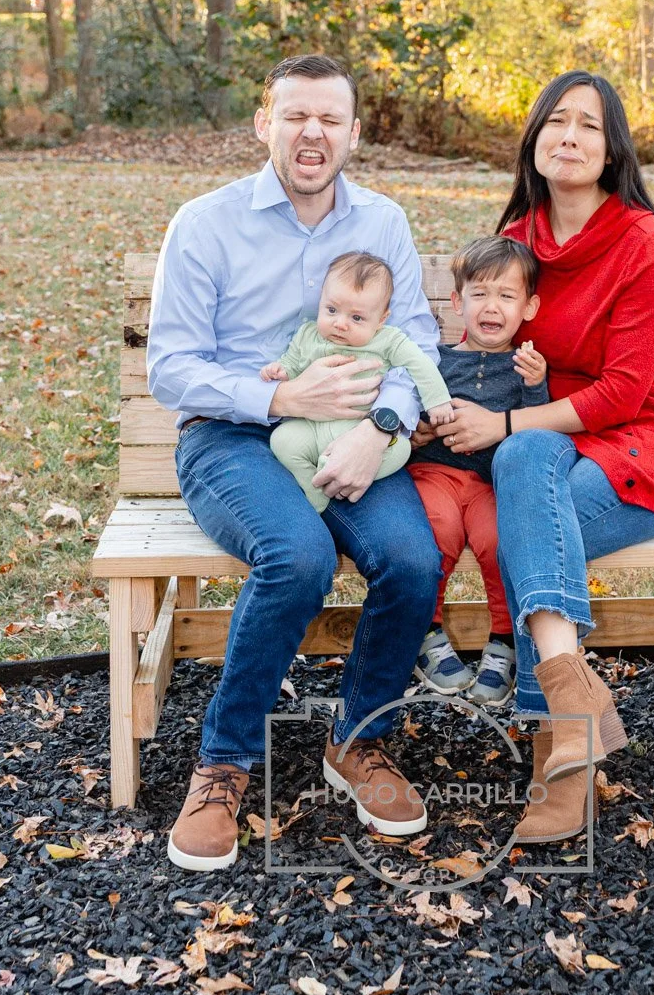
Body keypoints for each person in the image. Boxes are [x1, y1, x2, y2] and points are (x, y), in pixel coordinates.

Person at [146, 54, 444, 872]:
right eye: (295, 116)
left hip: (357, 434)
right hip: (232, 437)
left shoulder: (383, 222)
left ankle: (359, 740)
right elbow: (171, 369)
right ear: (264, 124)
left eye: (329, 119)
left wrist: (380, 427)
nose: (313, 133)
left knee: (413, 559)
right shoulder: (205, 223)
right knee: (298, 556)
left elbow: (416, 343)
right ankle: (224, 764)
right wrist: (279, 397)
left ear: (354, 133)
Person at [433, 71, 654, 844]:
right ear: (535, 139)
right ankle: (571, 708)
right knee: (526, 474)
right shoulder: (518, 236)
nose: (570, 136)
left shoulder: (642, 241)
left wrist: (505, 422)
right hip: (552, 441)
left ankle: (558, 757)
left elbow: (623, 393)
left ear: (612, 148)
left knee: (530, 518)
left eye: (589, 124)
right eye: (556, 121)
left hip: (646, 443)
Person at [407, 236, 549, 707]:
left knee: (498, 541)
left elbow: (536, 430)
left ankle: (504, 641)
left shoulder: (526, 366)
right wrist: (420, 429)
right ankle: (426, 632)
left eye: (506, 296)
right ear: (457, 302)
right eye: (480, 293)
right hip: (436, 475)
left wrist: (535, 386)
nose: (492, 306)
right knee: (438, 530)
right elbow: (411, 412)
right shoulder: (436, 361)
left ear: (528, 307)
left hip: (492, 483)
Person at [262, 251, 453, 512]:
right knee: (282, 441)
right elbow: (292, 364)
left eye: (357, 318)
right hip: (312, 428)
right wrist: (280, 371)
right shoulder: (308, 335)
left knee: (400, 450)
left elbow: (420, 363)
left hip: (361, 429)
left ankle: (334, 471)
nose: (340, 324)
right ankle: (314, 487)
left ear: (381, 319)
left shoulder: (388, 340)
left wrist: (437, 401)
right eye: (331, 310)